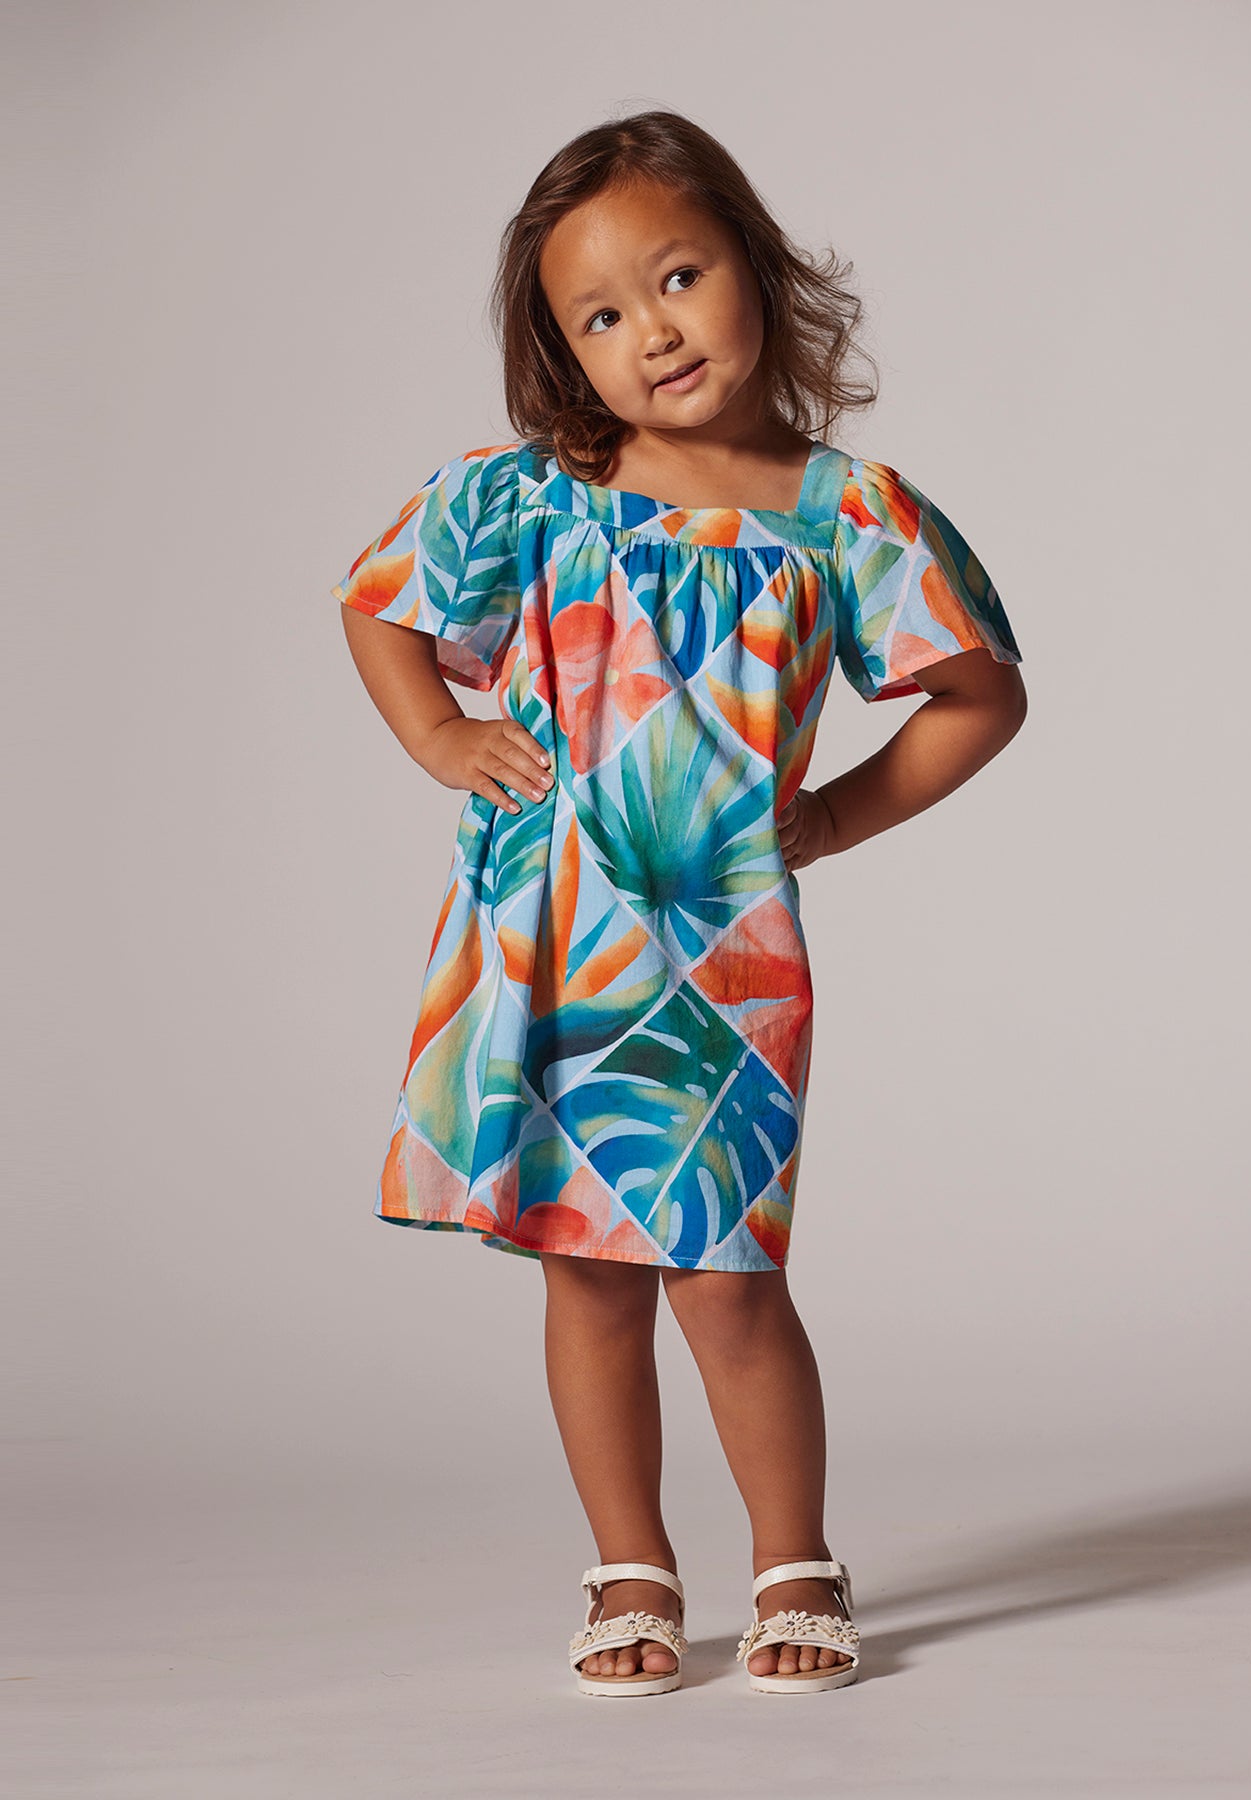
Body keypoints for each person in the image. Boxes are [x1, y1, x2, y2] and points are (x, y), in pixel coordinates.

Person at [326, 108, 1026, 1698]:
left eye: (678, 277)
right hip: (548, 945)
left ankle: (794, 1559)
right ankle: (628, 1562)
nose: (650, 330)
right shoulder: (526, 498)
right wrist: (439, 734)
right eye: (598, 315)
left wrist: (832, 816)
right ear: (561, 355)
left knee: (727, 1278)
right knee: (586, 1273)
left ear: (754, 269)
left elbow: (979, 693)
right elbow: (378, 604)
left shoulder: (848, 514)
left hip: (721, 959)